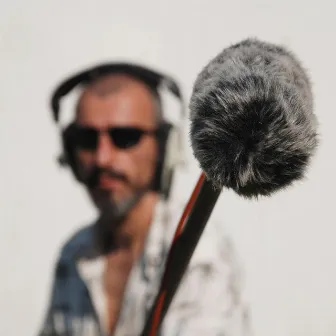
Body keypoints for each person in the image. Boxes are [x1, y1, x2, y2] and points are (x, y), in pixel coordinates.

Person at [39, 63, 251, 336]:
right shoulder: (73, 254)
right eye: (87, 138)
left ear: (165, 149)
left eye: (124, 137)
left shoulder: (199, 253)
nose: (102, 157)